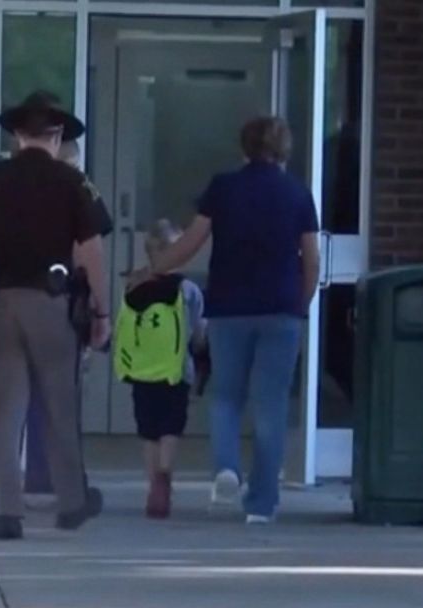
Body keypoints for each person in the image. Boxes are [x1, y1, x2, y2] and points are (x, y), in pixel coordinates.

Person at [133, 117, 320, 524]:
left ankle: (226, 469)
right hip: (281, 309)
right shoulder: (298, 194)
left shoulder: (224, 188)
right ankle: (262, 504)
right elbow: (312, 260)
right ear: (284, 149)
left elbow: (189, 244)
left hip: (230, 308)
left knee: (226, 397)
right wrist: (299, 304)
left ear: (245, 147)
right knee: (270, 406)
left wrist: (153, 270)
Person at [0, 91, 111, 540]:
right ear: (57, 135)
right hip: (52, 304)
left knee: (4, 410)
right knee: (59, 403)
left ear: (17, 134)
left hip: (0, 303)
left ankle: (5, 512)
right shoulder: (73, 184)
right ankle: (71, 503)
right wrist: (101, 309)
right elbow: (92, 250)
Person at [24, 138, 113, 499]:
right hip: (63, 301)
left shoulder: (14, 190)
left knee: (29, 393)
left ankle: (37, 472)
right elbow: (88, 252)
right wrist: (100, 308)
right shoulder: (78, 194)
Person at [115, 219, 204, 519]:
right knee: (170, 426)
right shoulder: (187, 289)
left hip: (142, 370)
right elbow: (197, 331)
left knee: (148, 429)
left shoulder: (134, 287)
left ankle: (153, 481)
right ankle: (165, 474)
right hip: (176, 371)